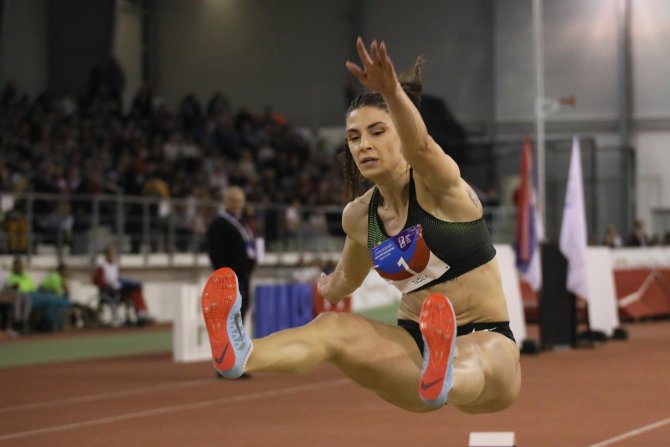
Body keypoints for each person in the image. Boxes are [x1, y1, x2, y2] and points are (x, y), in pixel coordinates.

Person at [201, 38, 520, 413]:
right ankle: (242, 354)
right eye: (354, 137)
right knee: (331, 328)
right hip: (412, 349)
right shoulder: (359, 217)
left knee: (475, 353)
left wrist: (391, 91)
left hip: (486, 338)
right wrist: (328, 284)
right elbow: (345, 282)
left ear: (401, 132)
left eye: (377, 131)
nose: (363, 144)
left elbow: (421, 148)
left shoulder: (440, 189)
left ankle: (447, 372)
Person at [206, 186, 256, 322]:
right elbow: (216, 254)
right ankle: (230, 343)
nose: (237, 204)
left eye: (240, 200)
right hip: (230, 279)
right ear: (226, 202)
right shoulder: (218, 224)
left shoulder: (242, 222)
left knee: (243, 312)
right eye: (234, 200)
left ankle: (238, 343)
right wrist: (226, 277)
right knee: (232, 316)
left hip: (244, 275)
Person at [96, 246, 155, 326]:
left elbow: (117, 277)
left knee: (136, 289)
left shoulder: (114, 266)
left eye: (113, 254)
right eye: (110, 254)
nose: (112, 256)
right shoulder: (102, 267)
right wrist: (107, 284)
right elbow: (96, 281)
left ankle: (142, 312)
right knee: (133, 289)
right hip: (109, 291)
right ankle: (141, 312)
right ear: (106, 255)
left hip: (119, 289)